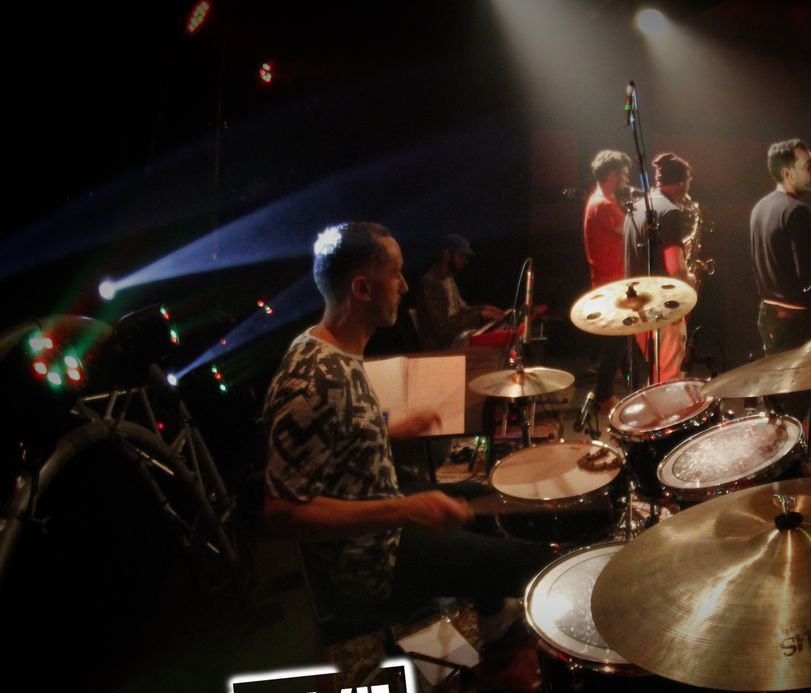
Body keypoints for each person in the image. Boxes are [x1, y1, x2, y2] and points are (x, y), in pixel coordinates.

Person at [263, 222, 549, 640]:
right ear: (362, 289)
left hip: (385, 505)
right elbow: (283, 513)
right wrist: (404, 511)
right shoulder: (311, 380)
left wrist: (390, 429)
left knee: (496, 501)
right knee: (529, 563)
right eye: (395, 273)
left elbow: (337, 431)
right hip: (369, 560)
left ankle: (492, 619)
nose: (404, 286)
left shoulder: (334, 351)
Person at [749, 138, 811, 421]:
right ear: (787, 172)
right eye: (808, 165)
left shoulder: (760, 208)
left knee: (777, 402)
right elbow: (807, 274)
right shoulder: (797, 211)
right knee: (795, 406)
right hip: (794, 321)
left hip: (768, 314)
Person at [622, 152, 693, 383]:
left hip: (637, 306)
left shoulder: (635, 208)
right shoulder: (670, 212)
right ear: (682, 182)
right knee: (669, 380)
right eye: (689, 181)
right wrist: (690, 279)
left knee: (654, 376)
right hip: (663, 307)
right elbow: (675, 270)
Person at [583, 149, 632, 411]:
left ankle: (632, 386)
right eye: (624, 173)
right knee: (617, 342)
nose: (627, 178)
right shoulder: (602, 204)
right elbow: (629, 230)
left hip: (613, 280)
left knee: (622, 341)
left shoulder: (602, 200)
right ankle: (604, 396)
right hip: (611, 283)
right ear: (611, 175)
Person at [415, 233, 504, 349]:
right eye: (461, 256)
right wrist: (480, 315)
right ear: (447, 254)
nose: (465, 261)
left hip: (456, 341)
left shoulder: (448, 279)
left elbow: (461, 311)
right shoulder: (430, 283)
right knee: (497, 345)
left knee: (500, 338)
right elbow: (444, 330)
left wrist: (483, 308)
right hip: (442, 349)